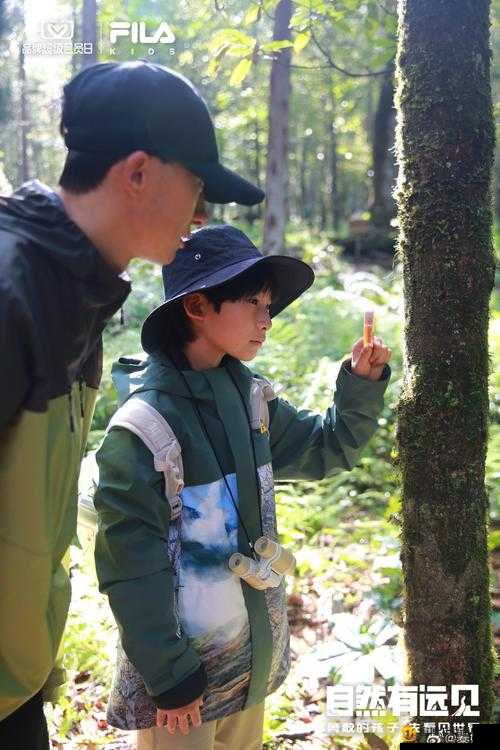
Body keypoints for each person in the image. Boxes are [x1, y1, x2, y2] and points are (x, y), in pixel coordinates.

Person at [0, 61, 264, 749]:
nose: (202, 213)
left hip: (17, 682)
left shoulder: (75, 291)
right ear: (139, 172)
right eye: (197, 186)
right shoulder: (12, 293)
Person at [93, 224, 392, 750]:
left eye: (269, 305)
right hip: (181, 687)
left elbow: (328, 446)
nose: (266, 320)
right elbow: (131, 571)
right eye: (252, 301)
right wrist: (169, 676)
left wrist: (360, 384)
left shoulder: (250, 400)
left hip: (249, 659)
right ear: (198, 307)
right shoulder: (143, 429)